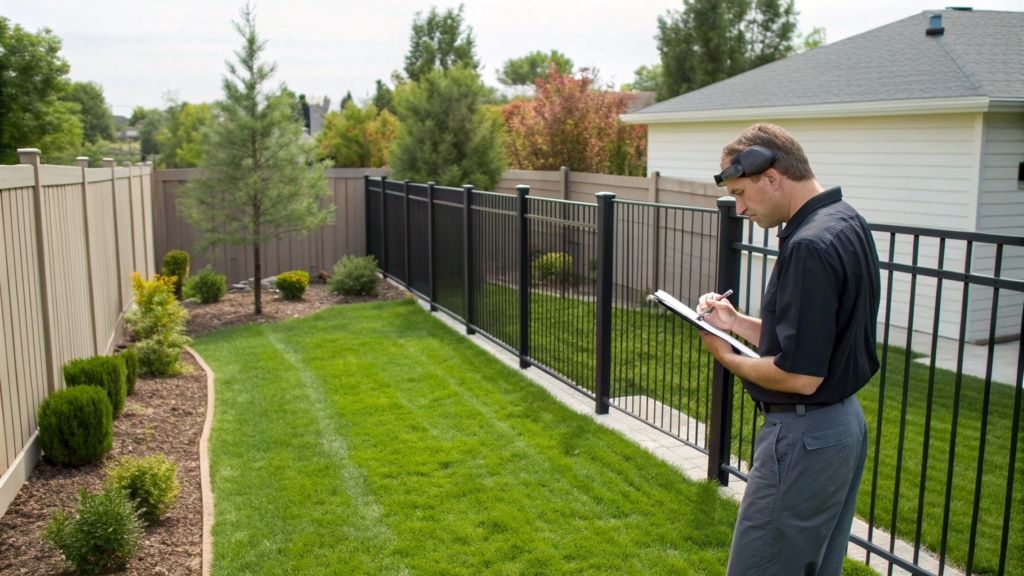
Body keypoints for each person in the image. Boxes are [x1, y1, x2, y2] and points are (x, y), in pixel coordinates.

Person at [697, 123, 880, 576]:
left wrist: (727, 356)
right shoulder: (845, 221)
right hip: (841, 428)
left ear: (773, 177)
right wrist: (735, 323)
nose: (739, 208)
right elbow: (814, 339)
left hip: (805, 437)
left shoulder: (809, 246)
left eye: (742, 192)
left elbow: (801, 375)